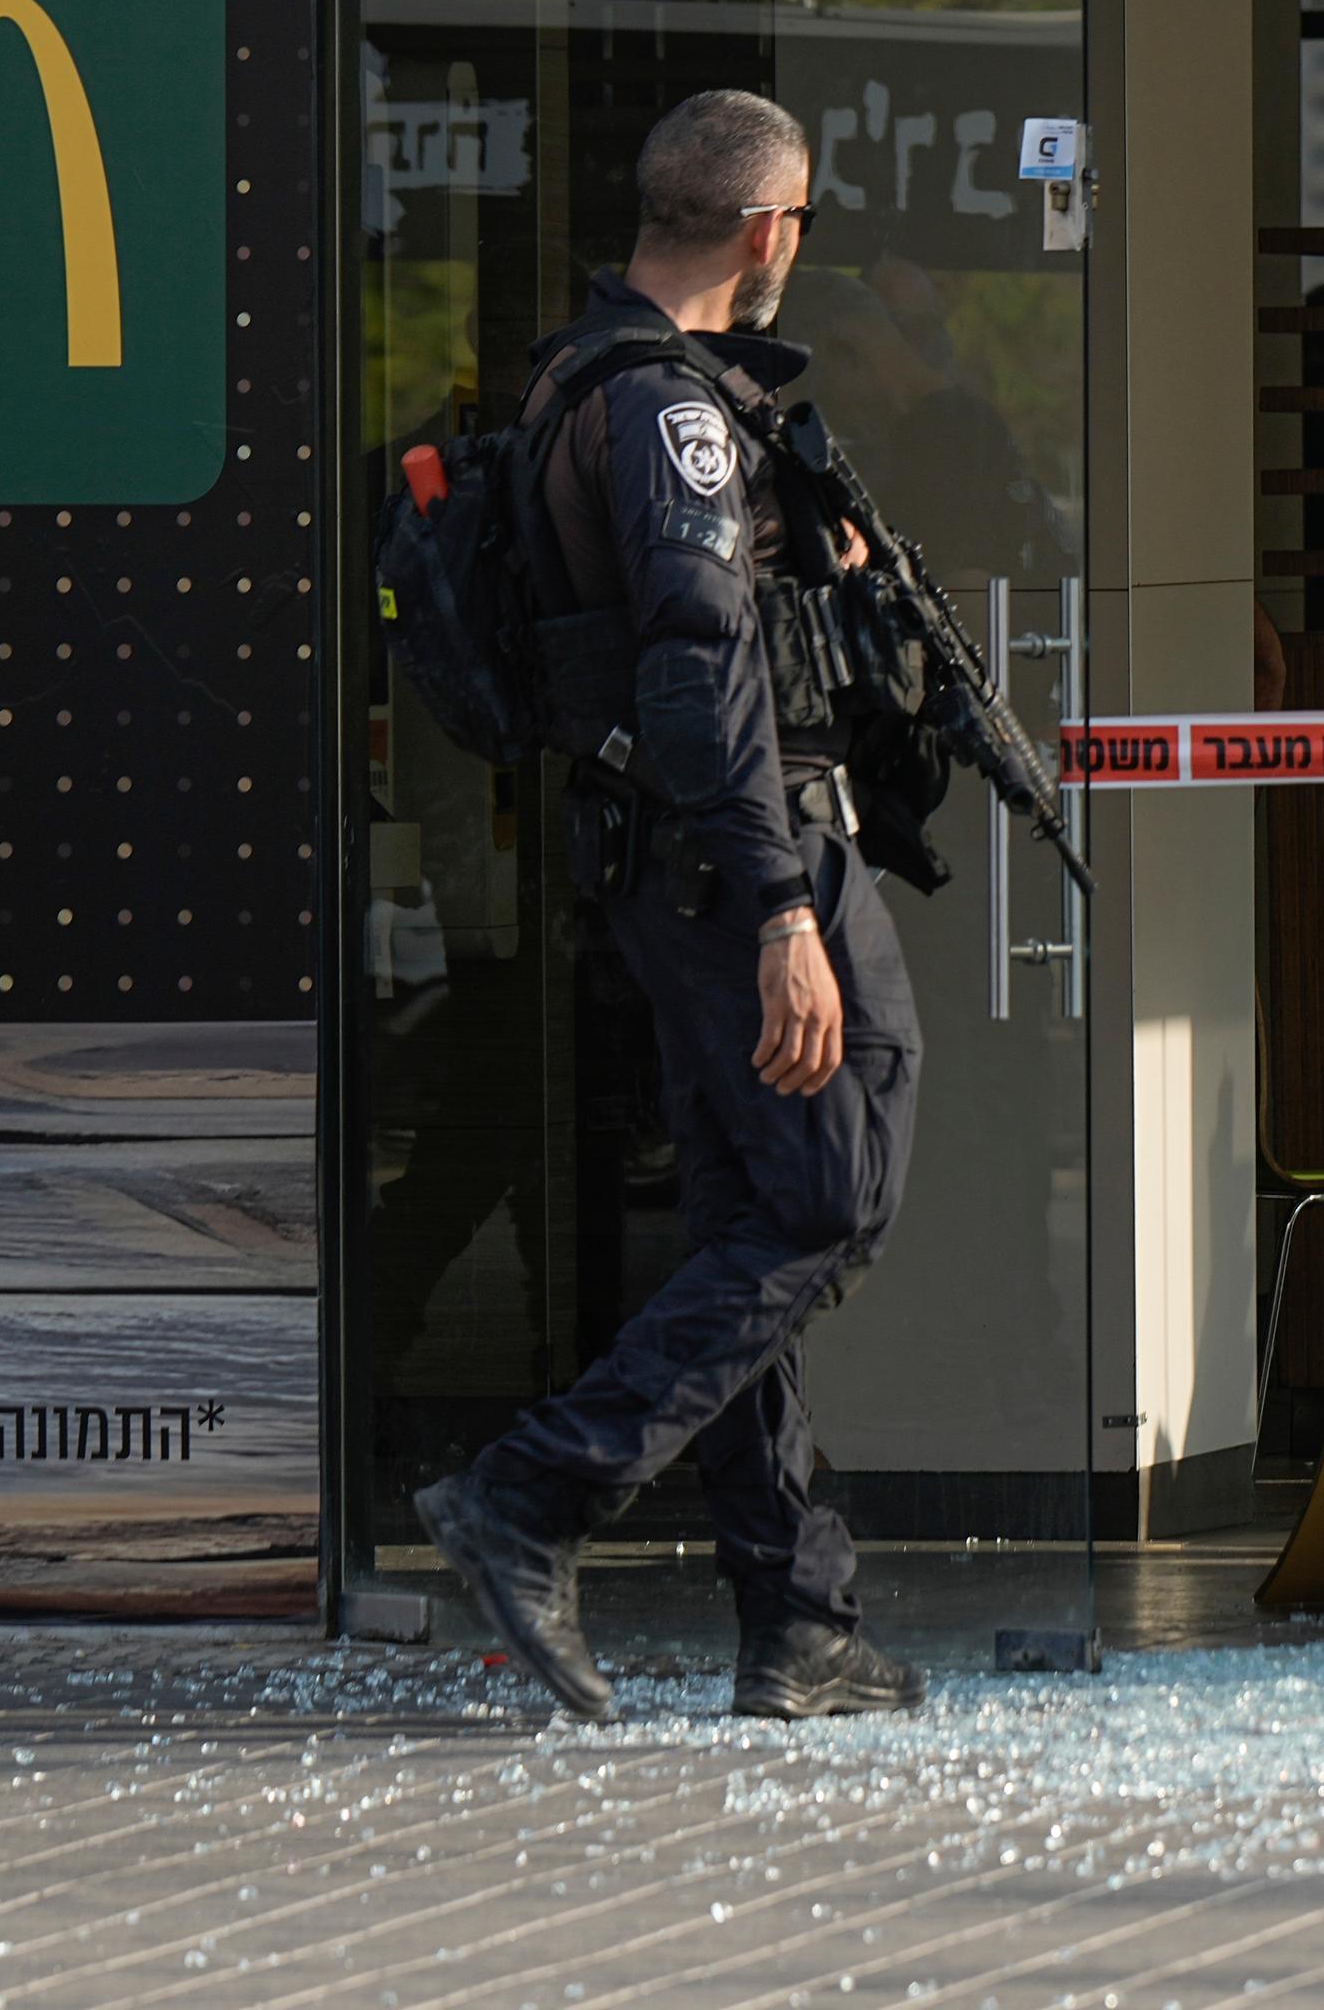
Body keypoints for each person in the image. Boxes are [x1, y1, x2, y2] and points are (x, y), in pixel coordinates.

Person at [413, 88, 926, 1724]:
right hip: (740, 860)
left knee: (749, 1217)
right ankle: (537, 1493)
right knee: (828, 1194)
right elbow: (699, 668)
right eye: (802, 224)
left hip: (680, 858)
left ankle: (797, 1614)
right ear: (769, 229)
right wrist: (784, 910)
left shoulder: (597, 382)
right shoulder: (666, 411)